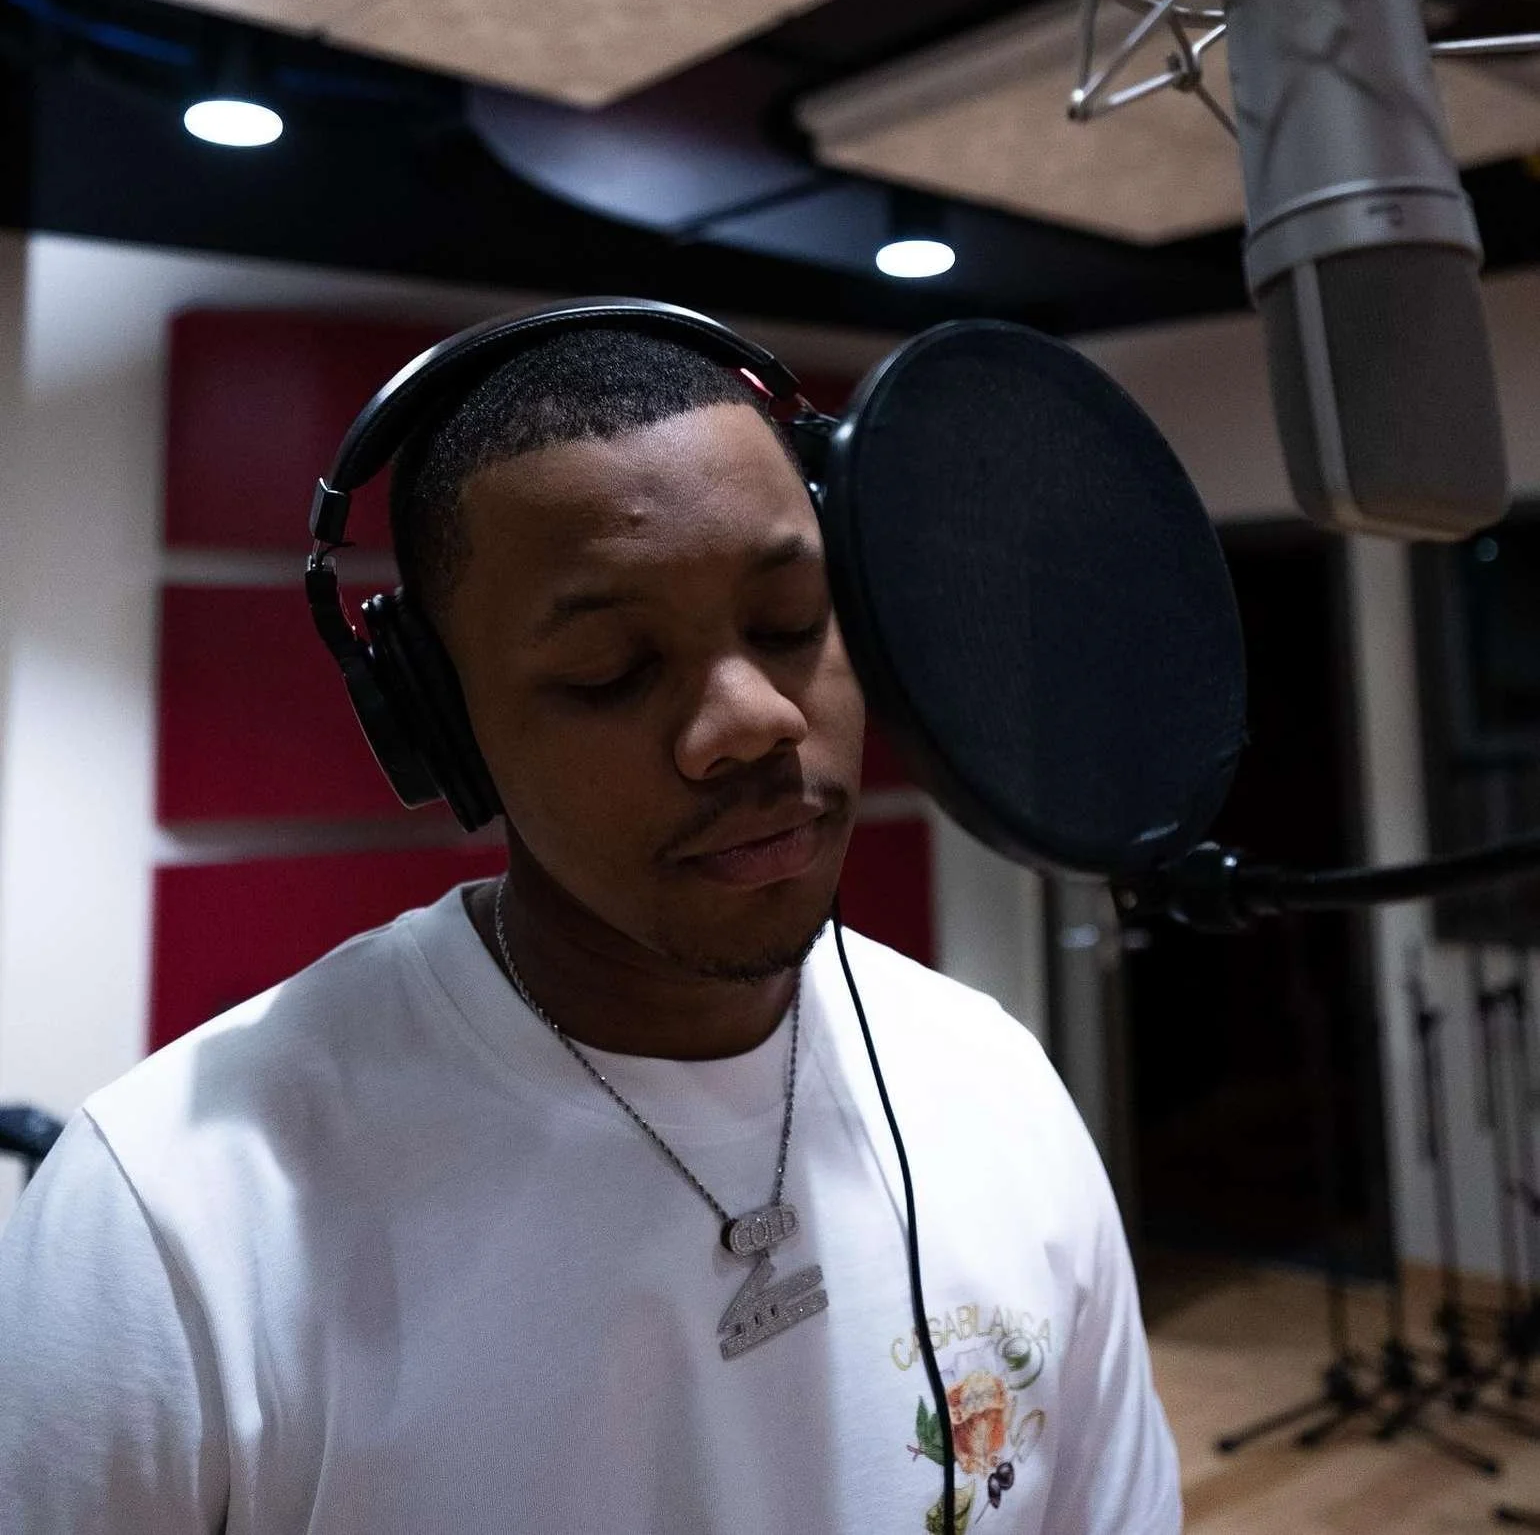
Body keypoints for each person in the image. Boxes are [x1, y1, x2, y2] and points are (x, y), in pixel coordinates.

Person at [0, 322, 1182, 1533]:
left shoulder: (995, 1081)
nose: (752, 720)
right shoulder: (164, 1223)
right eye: (611, 669)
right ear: (442, 727)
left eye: (789, 622)